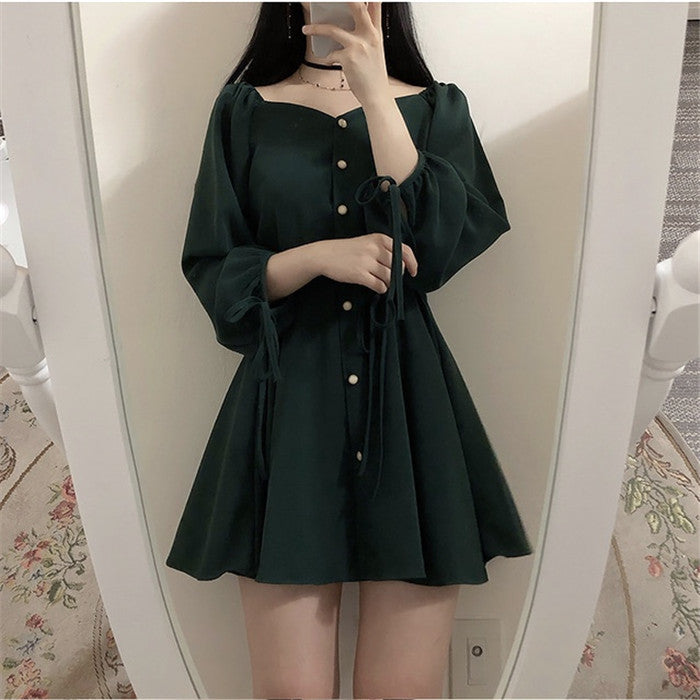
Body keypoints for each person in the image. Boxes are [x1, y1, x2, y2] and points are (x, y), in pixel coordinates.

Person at [166, 2, 534, 696]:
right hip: (288, 411)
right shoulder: (244, 110)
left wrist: (376, 94)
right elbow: (214, 269)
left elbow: (441, 246)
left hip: (410, 409)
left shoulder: (435, 108)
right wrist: (314, 258)